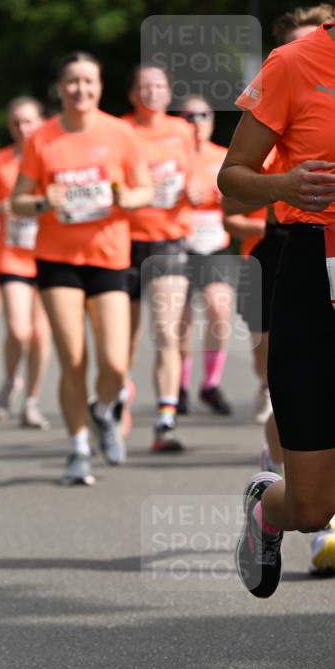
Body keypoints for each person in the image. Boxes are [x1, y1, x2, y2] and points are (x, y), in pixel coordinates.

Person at [218, 0, 335, 598]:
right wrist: (283, 185)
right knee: (314, 507)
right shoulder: (293, 63)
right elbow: (231, 179)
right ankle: (268, 505)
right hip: (312, 270)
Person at [12, 52, 153, 485]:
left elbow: (145, 188)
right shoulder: (42, 138)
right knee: (73, 359)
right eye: (72, 82)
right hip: (58, 259)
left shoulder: (120, 133)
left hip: (108, 256)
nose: (81, 89)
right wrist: (42, 202)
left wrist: (129, 199)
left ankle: (102, 410)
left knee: (114, 362)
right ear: (60, 87)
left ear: (100, 86)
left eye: (88, 81)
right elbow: (18, 201)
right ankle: (77, 447)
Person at [122, 65, 196, 451]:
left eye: (158, 86)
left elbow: (198, 173)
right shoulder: (120, 131)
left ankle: (166, 420)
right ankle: (118, 395)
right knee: (125, 339)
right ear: (132, 94)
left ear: (168, 93)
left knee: (167, 331)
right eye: (143, 86)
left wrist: (197, 189)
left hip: (169, 240)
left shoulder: (183, 131)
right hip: (123, 242)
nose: (151, 92)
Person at [0, 96, 52, 430]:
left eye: (29, 121)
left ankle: (32, 402)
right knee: (18, 329)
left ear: (41, 122)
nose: (23, 128)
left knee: (40, 334)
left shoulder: (55, 158)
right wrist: (2, 207)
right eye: (16, 123)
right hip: (12, 255)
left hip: (49, 253)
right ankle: (11, 379)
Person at [177, 95, 234, 416]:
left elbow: (241, 195)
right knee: (182, 321)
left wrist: (221, 196)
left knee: (219, 310)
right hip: (181, 246)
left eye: (204, 115)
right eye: (190, 116)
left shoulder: (224, 156)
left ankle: (210, 384)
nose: (197, 122)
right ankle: (181, 386)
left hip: (214, 244)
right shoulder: (174, 156)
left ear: (212, 121)